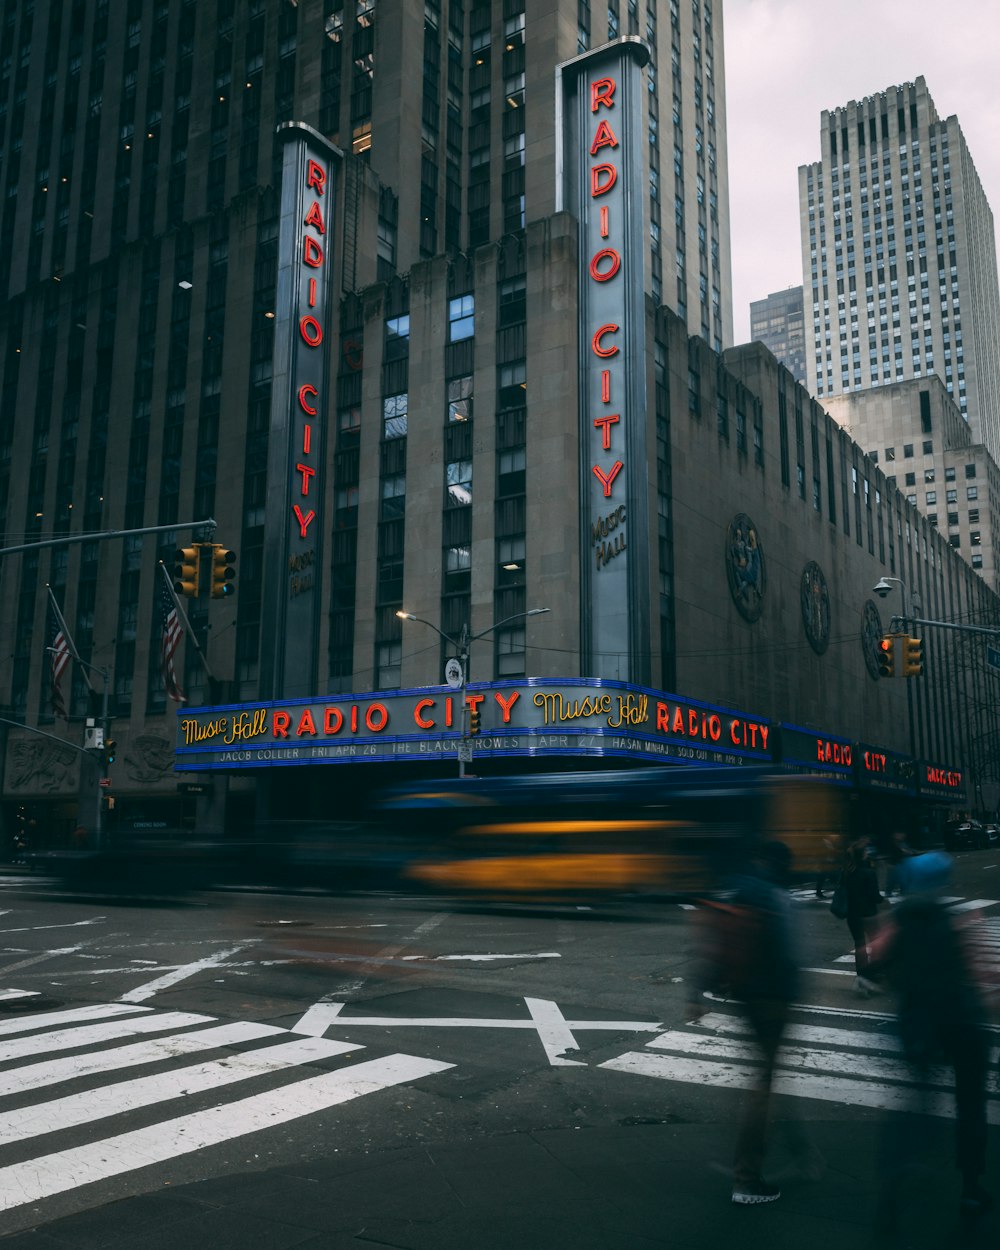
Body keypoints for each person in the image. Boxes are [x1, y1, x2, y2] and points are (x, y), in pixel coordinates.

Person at [870, 851, 992, 1230]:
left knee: (916, 1098)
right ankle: (970, 1188)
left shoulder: (899, 922)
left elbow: (874, 960)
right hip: (963, 1023)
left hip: (919, 1024)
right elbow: (979, 975)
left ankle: (898, 1167)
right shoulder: (956, 923)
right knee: (970, 1105)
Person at [689, 840, 799, 1205]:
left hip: (744, 995)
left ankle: (790, 1147)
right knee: (763, 1084)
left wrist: (698, 991)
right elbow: (788, 952)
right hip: (772, 998)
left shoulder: (735, 886)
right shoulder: (775, 895)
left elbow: (709, 941)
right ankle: (747, 1179)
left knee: (764, 1076)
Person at [841, 834, 883, 996]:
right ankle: (872, 976)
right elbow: (875, 897)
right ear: (863, 854)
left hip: (853, 915)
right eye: (866, 851)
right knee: (877, 945)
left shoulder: (847, 871)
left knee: (860, 947)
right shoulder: (868, 873)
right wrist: (883, 900)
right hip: (868, 915)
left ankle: (862, 977)